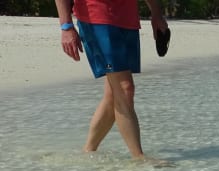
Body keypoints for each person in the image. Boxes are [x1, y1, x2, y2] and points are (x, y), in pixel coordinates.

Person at [55, 0, 169, 160]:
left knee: (113, 95)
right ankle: (139, 157)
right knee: (125, 88)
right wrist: (66, 25)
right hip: (96, 17)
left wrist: (156, 13)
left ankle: (88, 151)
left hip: (127, 19)